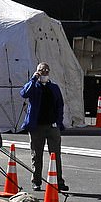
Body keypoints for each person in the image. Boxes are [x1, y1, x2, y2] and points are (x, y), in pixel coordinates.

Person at [20, 62, 69, 191]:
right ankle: (36, 181)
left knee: (55, 154)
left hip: (52, 126)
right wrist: (34, 79)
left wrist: (59, 122)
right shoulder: (34, 86)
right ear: (37, 71)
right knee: (37, 155)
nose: (44, 73)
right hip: (37, 127)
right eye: (42, 70)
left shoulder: (54, 87)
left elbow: (60, 105)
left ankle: (59, 181)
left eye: (47, 71)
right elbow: (24, 93)